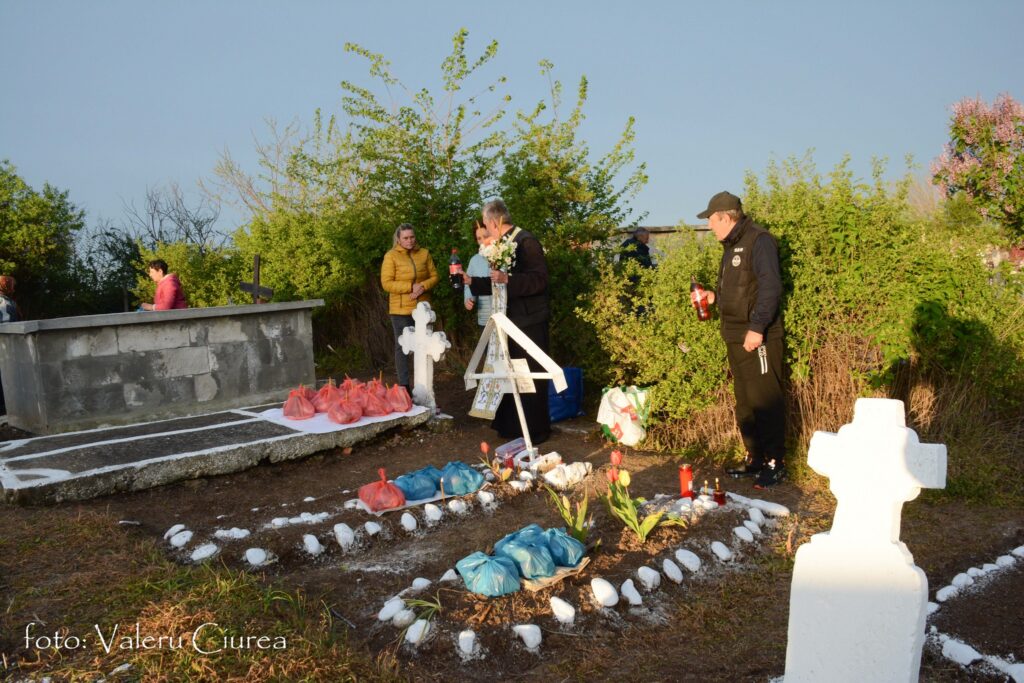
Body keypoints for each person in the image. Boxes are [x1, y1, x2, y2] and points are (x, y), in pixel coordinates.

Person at [694, 191, 787, 489]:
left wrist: (757, 327)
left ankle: (776, 463)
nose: (709, 226)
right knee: (746, 402)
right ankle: (755, 459)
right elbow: (742, 292)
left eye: (711, 219)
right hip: (734, 335)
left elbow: (770, 288)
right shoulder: (732, 246)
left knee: (765, 400)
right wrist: (714, 297)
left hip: (757, 337)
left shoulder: (760, 241)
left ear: (725, 216)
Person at [471, 199, 551, 444]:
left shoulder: (526, 242)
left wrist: (507, 279)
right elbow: (499, 281)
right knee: (510, 373)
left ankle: (535, 429)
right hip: (509, 318)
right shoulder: (502, 244)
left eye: (486, 223)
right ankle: (511, 425)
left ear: (495, 221)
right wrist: (471, 282)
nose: (486, 229)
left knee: (530, 375)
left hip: (529, 320)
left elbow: (540, 280)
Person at [380, 223, 439, 392]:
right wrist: (410, 287)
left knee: (425, 346)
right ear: (398, 239)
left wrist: (423, 286)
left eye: (412, 237)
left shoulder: (424, 253)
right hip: (400, 311)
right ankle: (404, 387)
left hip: (423, 310)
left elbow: (435, 276)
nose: (409, 240)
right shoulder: (391, 256)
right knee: (403, 348)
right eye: (405, 238)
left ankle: (425, 385)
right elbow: (386, 283)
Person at [463, 221, 494, 326]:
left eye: (486, 236)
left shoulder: (503, 256)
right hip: (485, 319)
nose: (483, 241)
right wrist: (468, 299)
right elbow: (468, 284)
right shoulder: (474, 260)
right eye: (479, 238)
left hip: (505, 317)